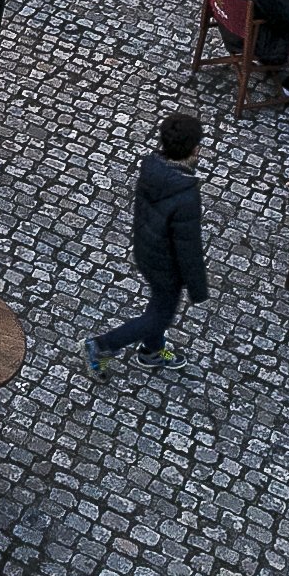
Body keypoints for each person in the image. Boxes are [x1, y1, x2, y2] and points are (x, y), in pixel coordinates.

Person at [83, 109, 210, 376]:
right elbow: (189, 247)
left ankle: (152, 351)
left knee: (159, 306)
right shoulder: (185, 195)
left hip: (147, 250)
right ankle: (103, 346)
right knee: (159, 315)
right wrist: (198, 288)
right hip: (166, 266)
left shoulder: (152, 168)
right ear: (194, 149)